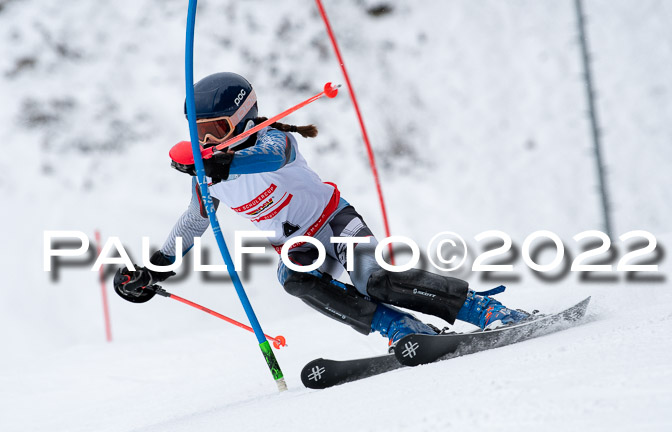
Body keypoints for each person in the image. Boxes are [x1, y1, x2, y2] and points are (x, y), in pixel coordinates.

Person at [114, 72, 533, 348]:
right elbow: (192, 223)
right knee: (294, 280)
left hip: (336, 224)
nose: (205, 142)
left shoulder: (273, 140)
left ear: (243, 120)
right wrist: (154, 269)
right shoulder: (208, 177)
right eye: (197, 133)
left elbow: (270, 160)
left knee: (375, 280)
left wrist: (222, 162)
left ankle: (487, 311)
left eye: (214, 131)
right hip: (297, 248)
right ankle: (401, 329)